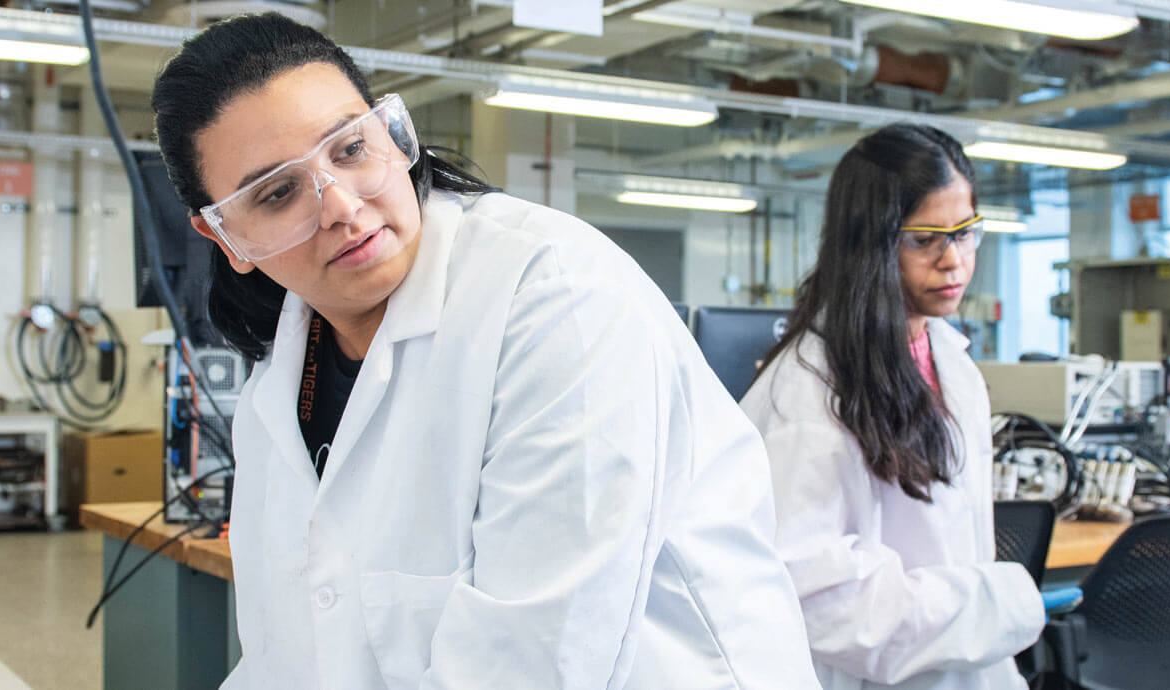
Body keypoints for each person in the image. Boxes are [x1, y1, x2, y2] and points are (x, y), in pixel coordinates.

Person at [150, 14, 819, 689]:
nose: (343, 208)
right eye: (278, 192)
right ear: (224, 235)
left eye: (350, 148)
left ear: (390, 132)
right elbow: (285, 654)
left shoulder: (561, 301)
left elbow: (534, 660)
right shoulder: (283, 381)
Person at [739, 123, 1045, 690]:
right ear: (870, 242)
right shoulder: (810, 389)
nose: (953, 260)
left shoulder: (950, 362)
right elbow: (817, 593)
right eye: (924, 239)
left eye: (966, 232)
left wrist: (987, 618)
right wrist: (992, 607)